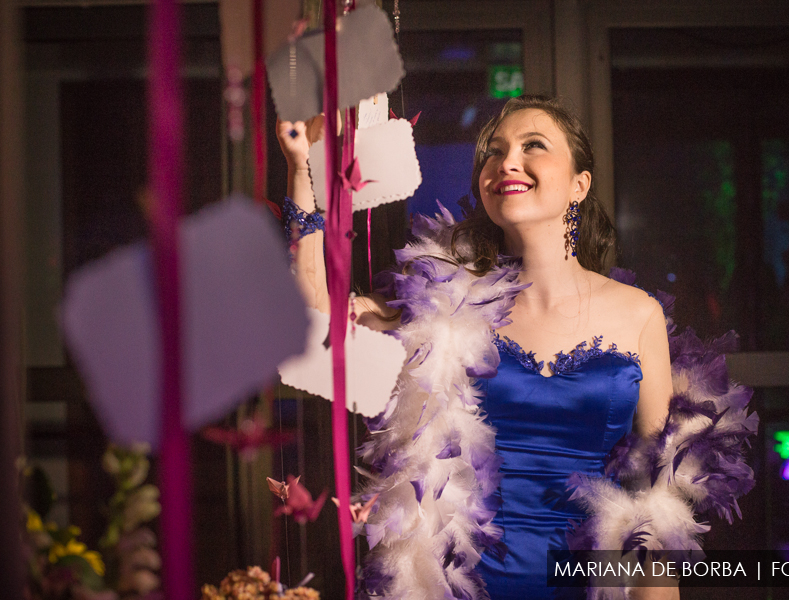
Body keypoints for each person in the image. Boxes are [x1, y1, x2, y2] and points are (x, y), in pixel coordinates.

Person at [276, 96, 754, 600]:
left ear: (579, 184)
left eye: (533, 146)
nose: (506, 161)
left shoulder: (638, 315)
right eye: (494, 151)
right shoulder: (442, 303)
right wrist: (301, 171)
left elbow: (655, 507)